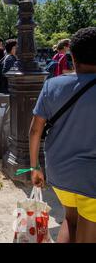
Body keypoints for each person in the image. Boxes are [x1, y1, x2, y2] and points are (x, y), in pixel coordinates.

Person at [29, 27, 96, 243]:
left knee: (70, 218)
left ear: (72, 56)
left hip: (59, 171)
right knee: (89, 225)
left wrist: (34, 167)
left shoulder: (52, 85)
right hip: (91, 175)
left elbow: (35, 130)